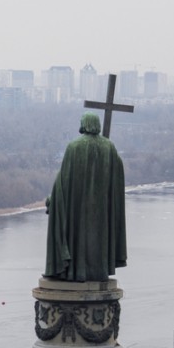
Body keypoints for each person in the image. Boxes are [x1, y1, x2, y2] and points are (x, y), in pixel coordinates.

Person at [44, 112, 127, 282]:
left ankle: (75, 271)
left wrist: (54, 199)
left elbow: (64, 181)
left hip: (78, 207)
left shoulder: (74, 147)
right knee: (98, 238)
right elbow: (117, 173)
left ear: (84, 124)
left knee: (77, 235)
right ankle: (98, 270)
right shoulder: (109, 147)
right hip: (102, 209)